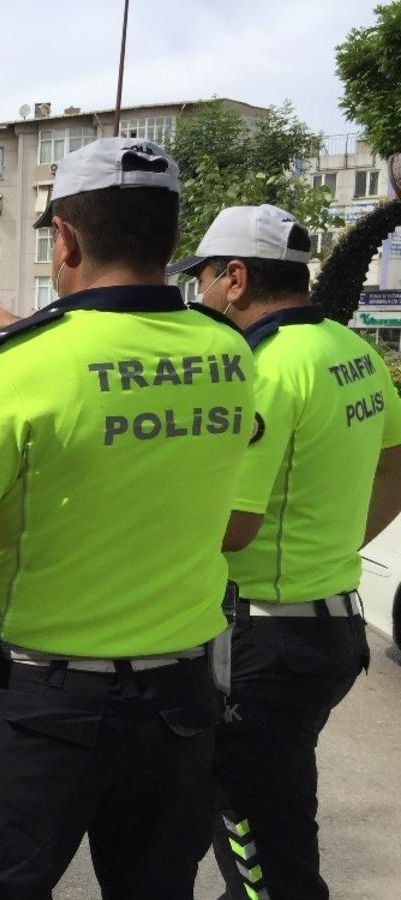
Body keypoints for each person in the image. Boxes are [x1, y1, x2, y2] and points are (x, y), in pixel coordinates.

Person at [0, 137, 256, 899]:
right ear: (174, 237)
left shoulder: (15, 365)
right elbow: (128, 357)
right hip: (180, 701)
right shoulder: (231, 354)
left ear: (65, 239)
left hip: (44, 707)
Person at [169, 204, 401, 900]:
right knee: (274, 817)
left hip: (265, 642)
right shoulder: (352, 350)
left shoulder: (263, 369)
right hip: (330, 627)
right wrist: (332, 544)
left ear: (235, 278)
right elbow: (395, 464)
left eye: (205, 278)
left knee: (263, 848)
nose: (202, 292)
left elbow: (233, 527)